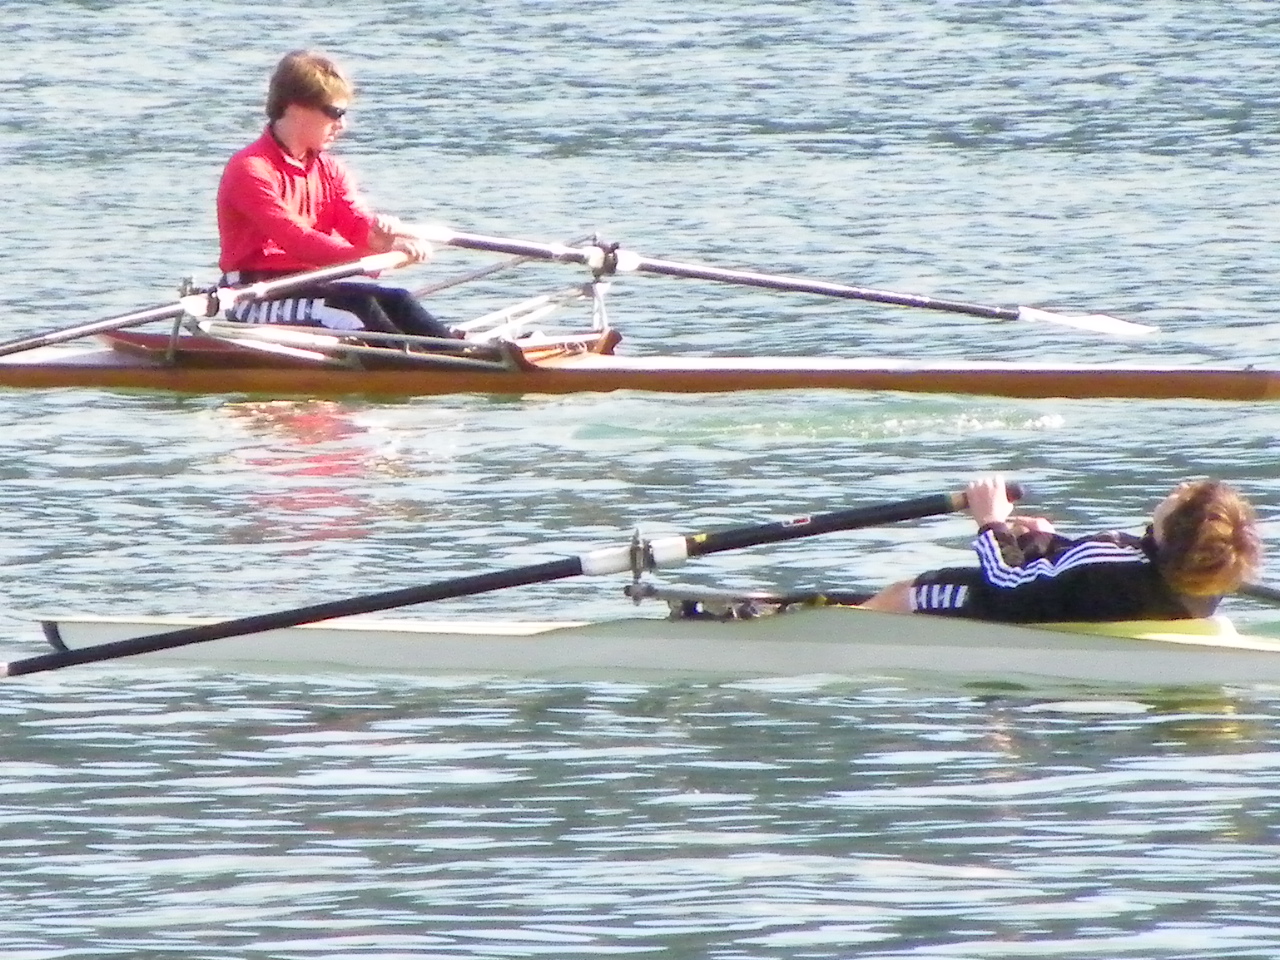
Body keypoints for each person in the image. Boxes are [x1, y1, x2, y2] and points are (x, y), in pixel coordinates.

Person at [216, 50, 454, 339]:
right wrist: (372, 258)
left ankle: (461, 353)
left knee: (399, 300)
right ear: (295, 107)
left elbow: (356, 222)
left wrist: (383, 241)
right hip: (253, 297)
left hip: (310, 285)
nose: (342, 125)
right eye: (334, 113)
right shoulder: (250, 169)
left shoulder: (329, 170)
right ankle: (415, 361)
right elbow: (298, 240)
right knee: (356, 310)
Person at [859, 476, 1262, 623]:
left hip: (1010, 610)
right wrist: (1040, 541)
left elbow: (1007, 582)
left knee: (906, 591)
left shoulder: (1110, 558)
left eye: (1185, 497)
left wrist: (990, 521)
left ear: (1175, 529)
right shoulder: (1210, 573)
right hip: (1070, 604)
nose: (1180, 488)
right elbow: (1080, 575)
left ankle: (848, 627)